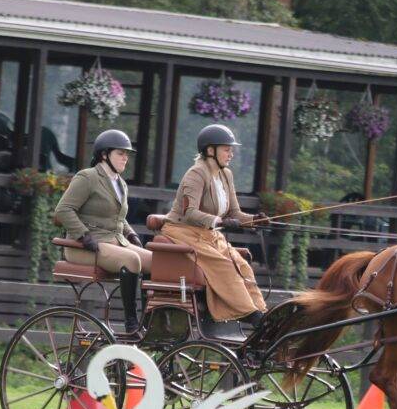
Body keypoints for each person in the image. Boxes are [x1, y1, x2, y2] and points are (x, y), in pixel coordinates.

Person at [162, 124, 269, 327]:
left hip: (209, 234)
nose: (231, 154)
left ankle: (262, 313)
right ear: (210, 150)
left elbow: (234, 213)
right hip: (183, 232)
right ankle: (250, 314)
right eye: (226, 149)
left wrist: (255, 220)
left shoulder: (225, 175)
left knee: (243, 265)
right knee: (224, 266)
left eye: (231, 149)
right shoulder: (196, 174)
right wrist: (218, 221)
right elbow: (189, 212)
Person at [54, 129, 152, 334]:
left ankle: (149, 319)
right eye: (120, 153)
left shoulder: (120, 183)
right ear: (104, 154)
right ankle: (132, 323)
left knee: (156, 261)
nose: (126, 157)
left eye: (127, 154)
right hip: (83, 246)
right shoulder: (87, 177)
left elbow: (119, 217)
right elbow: (63, 209)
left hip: (114, 241)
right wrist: (83, 235)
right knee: (132, 260)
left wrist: (131, 234)